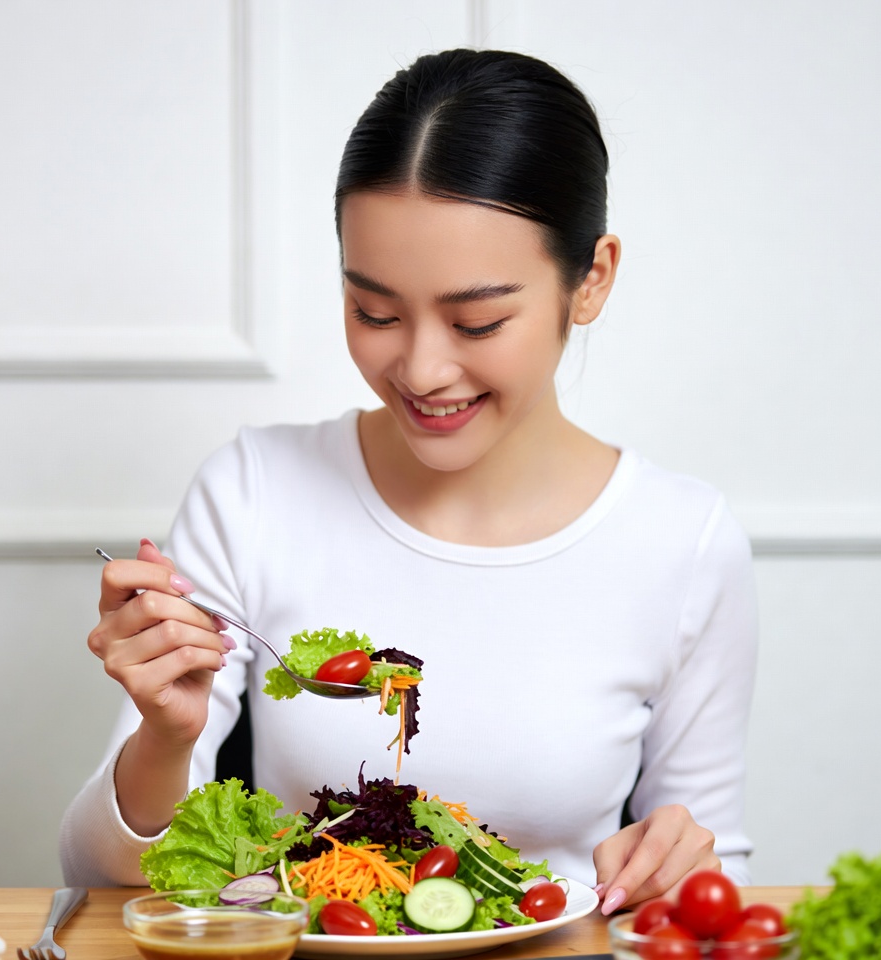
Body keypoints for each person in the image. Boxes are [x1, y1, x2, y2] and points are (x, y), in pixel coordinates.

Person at [60, 48, 758, 915]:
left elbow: (713, 871)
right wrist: (167, 736)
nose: (423, 369)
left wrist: (685, 869)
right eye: (375, 312)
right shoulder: (253, 492)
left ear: (592, 280)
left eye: (478, 321)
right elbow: (93, 876)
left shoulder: (683, 542)